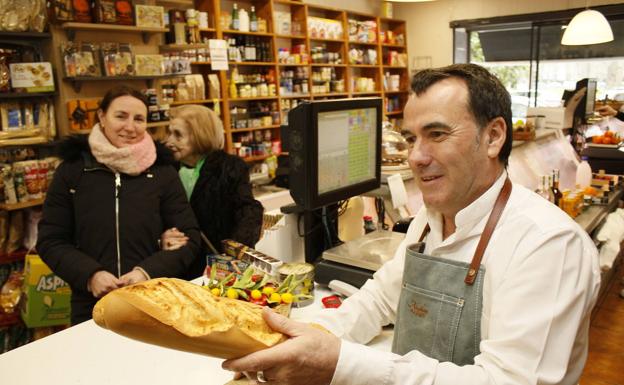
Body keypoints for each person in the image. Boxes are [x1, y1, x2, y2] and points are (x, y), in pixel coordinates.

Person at [222, 64, 601, 385]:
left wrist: (340, 362)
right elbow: (379, 299)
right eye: (410, 138)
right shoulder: (431, 217)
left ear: (493, 136)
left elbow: (505, 381)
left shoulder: (549, 244)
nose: (416, 157)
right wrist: (307, 339)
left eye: (436, 134)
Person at [37, 86, 202, 324]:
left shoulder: (161, 171)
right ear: (102, 116)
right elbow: (51, 240)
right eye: (120, 116)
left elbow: (190, 237)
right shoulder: (73, 170)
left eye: (139, 119)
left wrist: (147, 272)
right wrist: (90, 275)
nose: (130, 127)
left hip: (154, 300)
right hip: (91, 304)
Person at [161, 104, 263, 276]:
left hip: (216, 269)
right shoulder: (167, 169)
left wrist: (231, 256)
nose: (169, 141)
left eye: (178, 135)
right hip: (178, 266)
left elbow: (248, 211)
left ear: (200, 135)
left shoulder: (229, 168)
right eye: (169, 133)